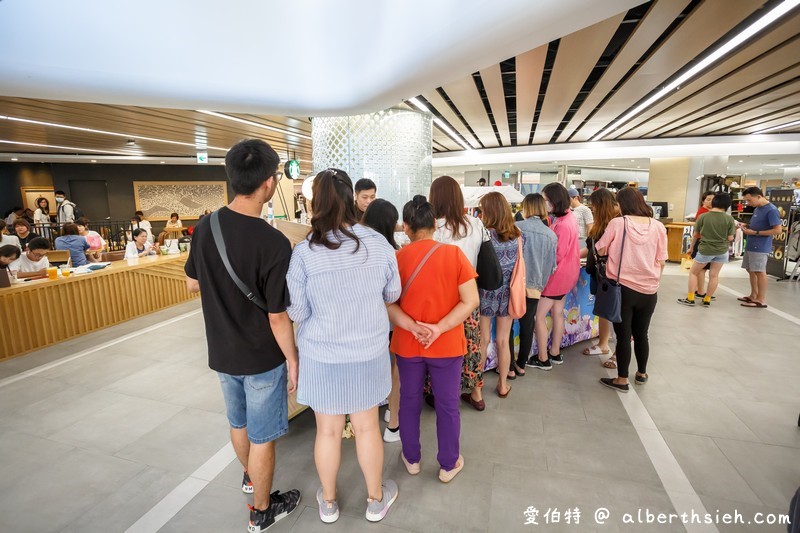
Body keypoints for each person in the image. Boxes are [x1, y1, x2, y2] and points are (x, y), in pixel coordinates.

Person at [184, 139, 300, 532]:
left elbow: (191, 284)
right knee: (263, 435)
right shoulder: (273, 242)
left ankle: (251, 478)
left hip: (221, 351)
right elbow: (278, 316)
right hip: (261, 357)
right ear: (269, 183)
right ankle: (262, 510)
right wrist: (294, 359)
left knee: (238, 424)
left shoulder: (205, 227)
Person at [287, 169, 402, 524]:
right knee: (367, 427)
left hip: (322, 355)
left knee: (328, 431)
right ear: (352, 198)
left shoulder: (305, 252)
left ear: (315, 203)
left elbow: (296, 309)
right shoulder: (378, 242)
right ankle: (375, 499)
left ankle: (330, 503)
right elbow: (393, 293)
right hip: (368, 351)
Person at [390, 194, 478, 484]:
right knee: (448, 404)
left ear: (406, 227)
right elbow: (470, 300)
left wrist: (414, 328)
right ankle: (448, 463)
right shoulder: (454, 255)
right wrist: (439, 328)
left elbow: (388, 303)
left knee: (409, 400)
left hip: (408, 343)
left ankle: (412, 458)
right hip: (446, 344)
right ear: (433, 224)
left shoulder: (397, 259)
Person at [595, 187, 667, 392]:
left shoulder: (618, 223)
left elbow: (600, 248)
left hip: (623, 288)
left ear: (622, 204)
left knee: (624, 335)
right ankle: (642, 373)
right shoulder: (658, 226)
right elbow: (661, 260)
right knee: (642, 333)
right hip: (649, 290)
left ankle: (622, 379)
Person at [428, 175, 488, 410]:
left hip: (441, 298)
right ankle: (477, 393)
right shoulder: (475, 224)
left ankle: (437, 393)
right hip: (469, 296)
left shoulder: (434, 227)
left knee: (440, 347)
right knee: (470, 343)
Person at [361, 198, 402, 443]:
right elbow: (393, 293)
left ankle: (368, 408)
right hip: (391, 322)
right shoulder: (393, 253)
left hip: (367, 324)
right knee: (396, 367)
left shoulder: (353, 248)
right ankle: (392, 416)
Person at [528, 182, 580, 371]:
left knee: (538, 316)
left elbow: (555, 256)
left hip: (557, 277)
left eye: (546, 200)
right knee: (557, 313)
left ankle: (542, 358)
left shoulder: (563, 225)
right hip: (568, 275)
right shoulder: (568, 217)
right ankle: (555, 352)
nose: (544, 203)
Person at [477, 192, 521, 396]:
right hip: (508, 293)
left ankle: (477, 387)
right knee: (503, 340)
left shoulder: (483, 235)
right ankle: (503, 385)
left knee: (483, 339)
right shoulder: (518, 235)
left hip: (486, 291)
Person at [514, 193, 557, 375]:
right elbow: (552, 266)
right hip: (535, 287)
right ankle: (521, 365)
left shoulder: (517, 227)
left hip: (514, 284)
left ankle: (508, 366)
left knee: (506, 324)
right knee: (527, 324)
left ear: (527, 207)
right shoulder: (551, 234)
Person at [678, 193, 736, 307]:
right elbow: (730, 238)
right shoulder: (729, 218)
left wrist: (691, 247)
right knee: (714, 276)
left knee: (694, 273)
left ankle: (690, 299)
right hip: (722, 251)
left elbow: (696, 234)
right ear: (727, 205)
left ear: (714, 202)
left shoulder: (703, 217)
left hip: (705, 250)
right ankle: (707, 299)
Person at [582, 188, 619, 365]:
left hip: (611, 275)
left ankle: (615, 350)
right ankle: (603, 343)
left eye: (594, 205)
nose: (592, 208)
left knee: (617, 313)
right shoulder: (600, 224)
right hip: (599, 273)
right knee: (603, 309)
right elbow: (591, 249)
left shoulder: (616, 224)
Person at [738, 186, 782, 309]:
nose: (748, 203)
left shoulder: (771, 210)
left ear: (758, 196)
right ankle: (753, 295)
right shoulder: (758, 208)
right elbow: (758, 224)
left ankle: (761, 299)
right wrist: (746, 225)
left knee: (760, 271)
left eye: (749, 200)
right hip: (751, 243)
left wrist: (755, 233)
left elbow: (777, 230)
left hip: (760, 245)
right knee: (750, 269)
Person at [691, 191, 715, 298]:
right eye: (708, 199)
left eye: (712, 200)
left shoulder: (711, 212)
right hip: (701, 243)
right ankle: (700, 292)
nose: (710, 202)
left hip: (707, 244)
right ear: (703, 201)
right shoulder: (703, 212)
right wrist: (691, 246)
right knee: (701, 269)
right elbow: (697, 231)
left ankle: (699, 290)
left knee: (703, 269)